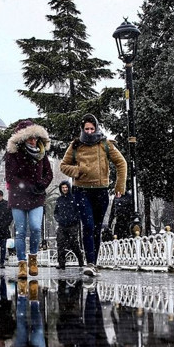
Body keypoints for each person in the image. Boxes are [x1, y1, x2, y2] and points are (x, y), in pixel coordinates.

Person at [60, 114, 127, 277]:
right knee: (88, 226)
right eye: (86, 129)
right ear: (82, 130)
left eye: (92, 128)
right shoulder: (75, 145)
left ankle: (94, 263)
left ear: (96, 128)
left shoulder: (105, 144)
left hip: (101, 191)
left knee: (97, 228)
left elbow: (121, 163)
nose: (89, 132)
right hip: (81, 191)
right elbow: (63, 165)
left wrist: (120, 185)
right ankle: (89, 262)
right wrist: (77, 171)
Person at [5, 119, 53, 280]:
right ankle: (22, 264)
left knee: (35, 227)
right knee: (20, 231)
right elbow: (10, 177)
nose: (33, 141)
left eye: (35, 137)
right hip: (18, 197)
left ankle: (33, 258)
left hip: (36, 196)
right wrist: (25, 186)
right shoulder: (13, 154)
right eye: (30, 137)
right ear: (23, 138)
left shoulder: (41, 154)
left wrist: (41, 185)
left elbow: (48, 174)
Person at [54, 180, 84, 269]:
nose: (64, 189)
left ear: (68, 188)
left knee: (73, 243)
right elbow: (55, 212)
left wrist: (75, 219)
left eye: (66, 187)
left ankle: (80, 259)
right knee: (60, 243)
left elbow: (79, 211)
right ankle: (61, 263)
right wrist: (58, 219)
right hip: (62, 225)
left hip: (72, 225)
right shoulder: (59, 200)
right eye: (63, 188)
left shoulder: (74, 198)